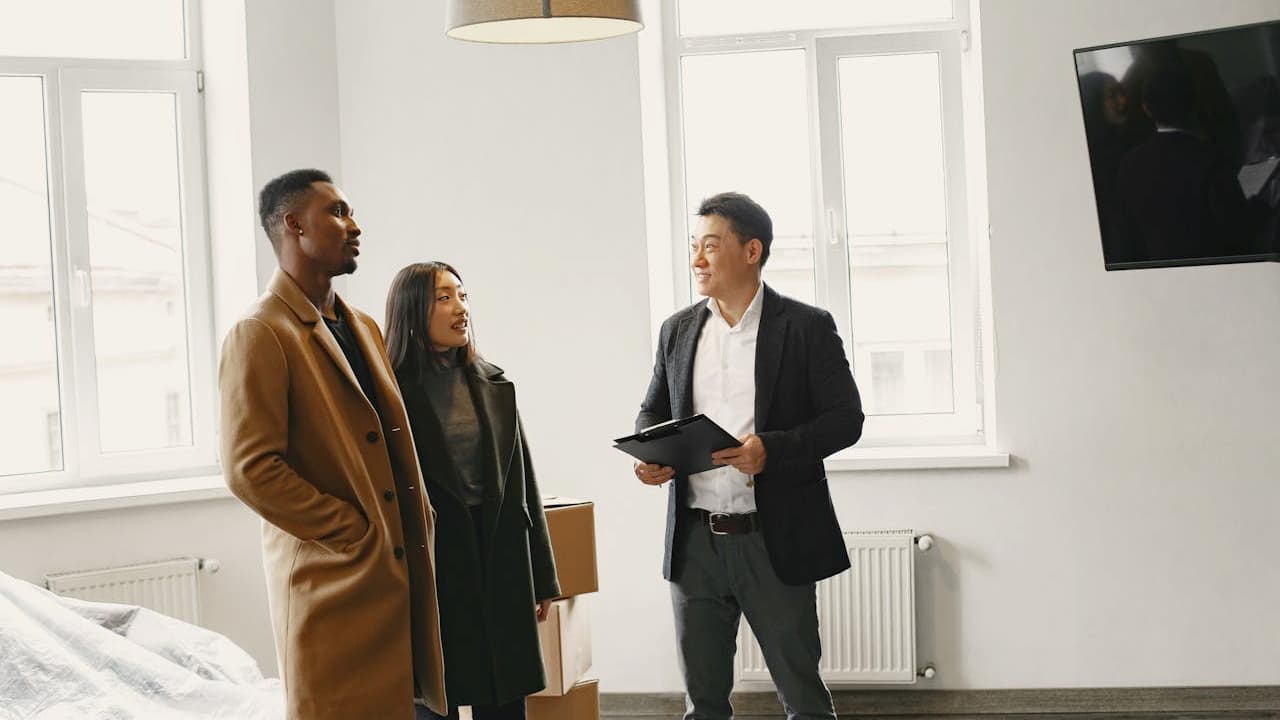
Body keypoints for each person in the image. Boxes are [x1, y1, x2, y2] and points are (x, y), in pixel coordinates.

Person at [219, 169, 446, 719]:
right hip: (331, 582)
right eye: (339, 213)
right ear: (294, 225)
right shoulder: (260, 331)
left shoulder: (362, 326)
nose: (355, 226)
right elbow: (250, 468)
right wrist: (352, 530)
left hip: (393, 576)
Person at [634, 192, 864, 720]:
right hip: (694, 542)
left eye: (710, 247)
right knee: (704, 703)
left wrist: (772, 450)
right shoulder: (678, 330)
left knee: (803, 697)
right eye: (694, 247)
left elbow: (845, 420)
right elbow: (652, 411)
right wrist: (651, 454)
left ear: (751, 250)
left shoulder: (806, 327)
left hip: (773, 536)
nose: (696, 260)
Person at [385, 261, 560, 720]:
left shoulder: (493, 383)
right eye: (444, 298)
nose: (461, 308)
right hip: (436, 561)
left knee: (504, 697)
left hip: (500, 557)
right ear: (412, 312)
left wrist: (543, 576)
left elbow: (525, 486)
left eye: (462, 296)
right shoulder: (388, 396)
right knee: (434, 699)